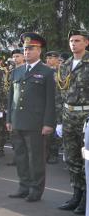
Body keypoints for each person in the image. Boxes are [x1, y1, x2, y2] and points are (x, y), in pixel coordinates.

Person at [6, 32, 55, 202]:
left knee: (36, 159)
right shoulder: (17, 71)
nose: (27, 52)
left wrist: (48, 123)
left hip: (36, 123)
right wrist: (8, 119)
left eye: (31, 49)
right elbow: (11, 98)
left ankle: (36, 189)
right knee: (20, 157)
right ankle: (23, 186)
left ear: (39, 50)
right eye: (25, 49)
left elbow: (51, 100)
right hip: (17, 121)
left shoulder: (47, 72)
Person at [56, 30, 89, 214]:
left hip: (87, 117)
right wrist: (59, 121)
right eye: (71, 41)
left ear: (86, 43)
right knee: (72, 159)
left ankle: (86, 199)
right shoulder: (65, 65)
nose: (73, 44)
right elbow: (60, 95)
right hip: (68, 117)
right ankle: (76, 195)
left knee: (87, 160)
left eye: (77, 41)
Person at [45, 50, 62, 164]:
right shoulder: (45, 72)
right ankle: (46, 153)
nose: (48, 60)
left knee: (55, 131)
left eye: (51, 58)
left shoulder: (61, 72)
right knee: (46, 130)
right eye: (47, 58)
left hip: (57, 105)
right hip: (45, 105)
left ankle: (54, 154)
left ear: (57, 59)